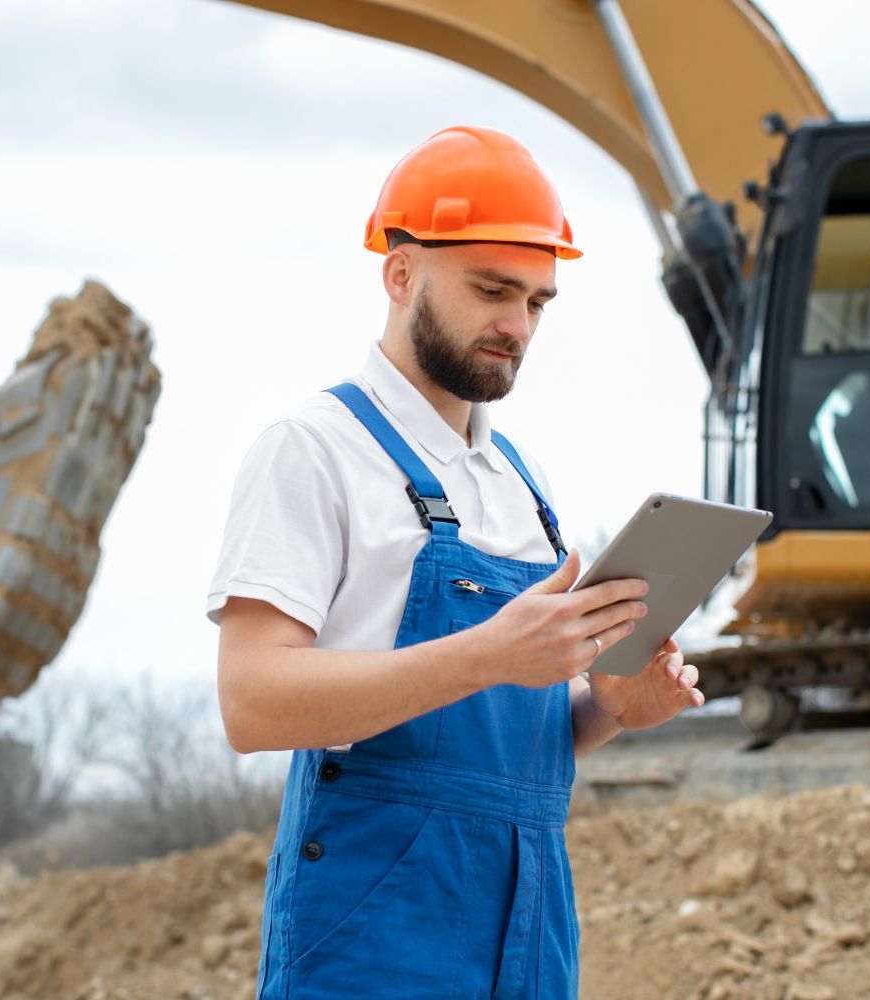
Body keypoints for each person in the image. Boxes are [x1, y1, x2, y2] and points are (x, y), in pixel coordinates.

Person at [207, 125, 704, 999]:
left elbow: (496, 751)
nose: (517, 326)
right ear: (400, 273)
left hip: (529, 927)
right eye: (491, 290)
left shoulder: (522, 483)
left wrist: (609, 709)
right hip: (375, 933)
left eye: (538, 303)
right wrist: (491, 653)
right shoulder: (314, 449)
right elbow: (251, 702)